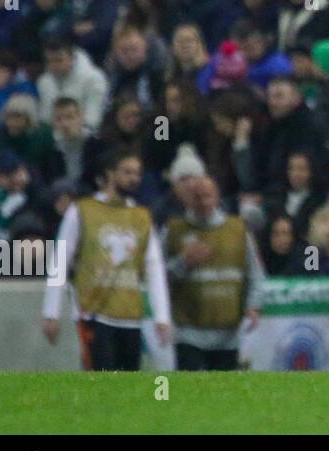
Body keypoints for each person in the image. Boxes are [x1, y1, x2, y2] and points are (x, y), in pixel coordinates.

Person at [41, 148, 172, 371]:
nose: (134, 179)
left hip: (130, 315)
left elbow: (154, 268)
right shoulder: (83, 211)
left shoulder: (141, 216)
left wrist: (162, 316)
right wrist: (51, 311)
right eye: (127, 172)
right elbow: (60, 260)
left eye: (137, 173)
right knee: (100, 381)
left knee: (127, 384)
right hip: (93, 313)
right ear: (110, 174)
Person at [162, 175, 265, 371]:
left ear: (217, 197)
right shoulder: (173, 230)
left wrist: (253, 305)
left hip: (228, 333)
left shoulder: (238, 230)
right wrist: (182, 262)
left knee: (223, 389)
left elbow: (255, 274)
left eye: (207, 196)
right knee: (189, 388)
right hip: (188, 332)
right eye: (197, 197)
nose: (203, 202)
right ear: (187, 199)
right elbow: (157, 278)